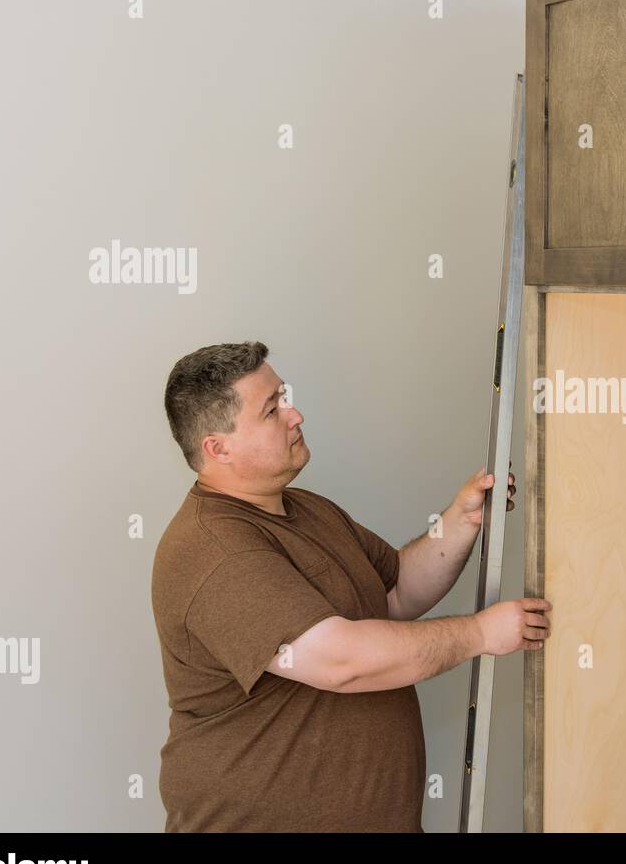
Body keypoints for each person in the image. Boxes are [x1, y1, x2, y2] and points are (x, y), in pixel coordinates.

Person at [151, 340, 550, 831]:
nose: (295, 415)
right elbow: (339, 661)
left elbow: (395, 594)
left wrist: (461, 521)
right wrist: (480, 635)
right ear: (218, 447)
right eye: (273, 409)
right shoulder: (214, 549)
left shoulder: (307, 509)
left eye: (286, 397)